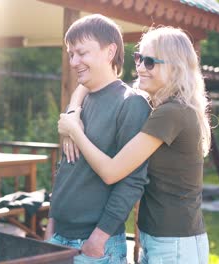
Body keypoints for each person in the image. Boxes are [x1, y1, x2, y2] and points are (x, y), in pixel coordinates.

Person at [58, 26, 211, 264]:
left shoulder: (171, 113)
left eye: (150, 62)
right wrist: (74, 109)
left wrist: (74, 131)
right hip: (162, 236)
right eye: (139, 58)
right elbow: (89, 84)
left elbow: (111, 172)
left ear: (175, 67)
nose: (140, 67)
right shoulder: (168, 106)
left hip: (175, 242)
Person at [45, 14, 151, 263]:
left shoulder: (131, 104)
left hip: (94, 247)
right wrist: (52, 222)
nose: (74, 61)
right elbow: (66, 169)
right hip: (58, 237)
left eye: (82, 53)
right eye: (71, 54)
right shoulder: (80, 104)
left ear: (110, 51)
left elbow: (133, 181)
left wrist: (99, 239)